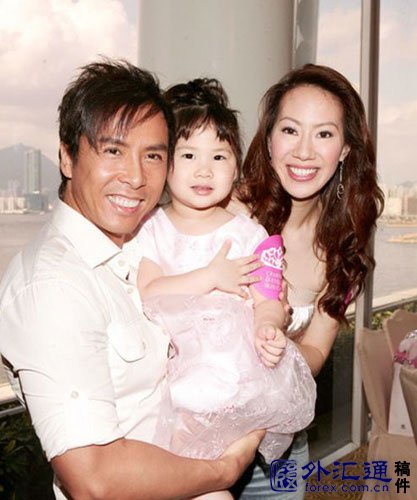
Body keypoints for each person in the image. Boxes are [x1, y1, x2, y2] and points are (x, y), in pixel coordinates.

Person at [0, 59, 265, 500]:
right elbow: (95, 479)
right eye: (113, 151)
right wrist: (224, 470)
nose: (137, 177)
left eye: (153, 156)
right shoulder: (54, 286)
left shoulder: (140, 243)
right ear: (67, 156)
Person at [135, 78, 316, 500]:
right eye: (188, 155)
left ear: (236, 168)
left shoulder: (250, 233)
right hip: (179, 388)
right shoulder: (152, 229)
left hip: (239, 383)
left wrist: (267, 327)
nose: (204, 170)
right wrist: (210, 277)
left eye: (219, 156)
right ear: (165, 164)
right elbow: (149, 292)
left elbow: (269, 300)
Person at [230, 63, 384, 499]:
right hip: (199, 440)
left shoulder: (343, 244)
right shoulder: (229, 213)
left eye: (324, 134)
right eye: (290, 130)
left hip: (281, 446)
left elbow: (315, 352)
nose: (303, 152)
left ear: (346, 149)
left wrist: (276, 341)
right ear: (269, 139)